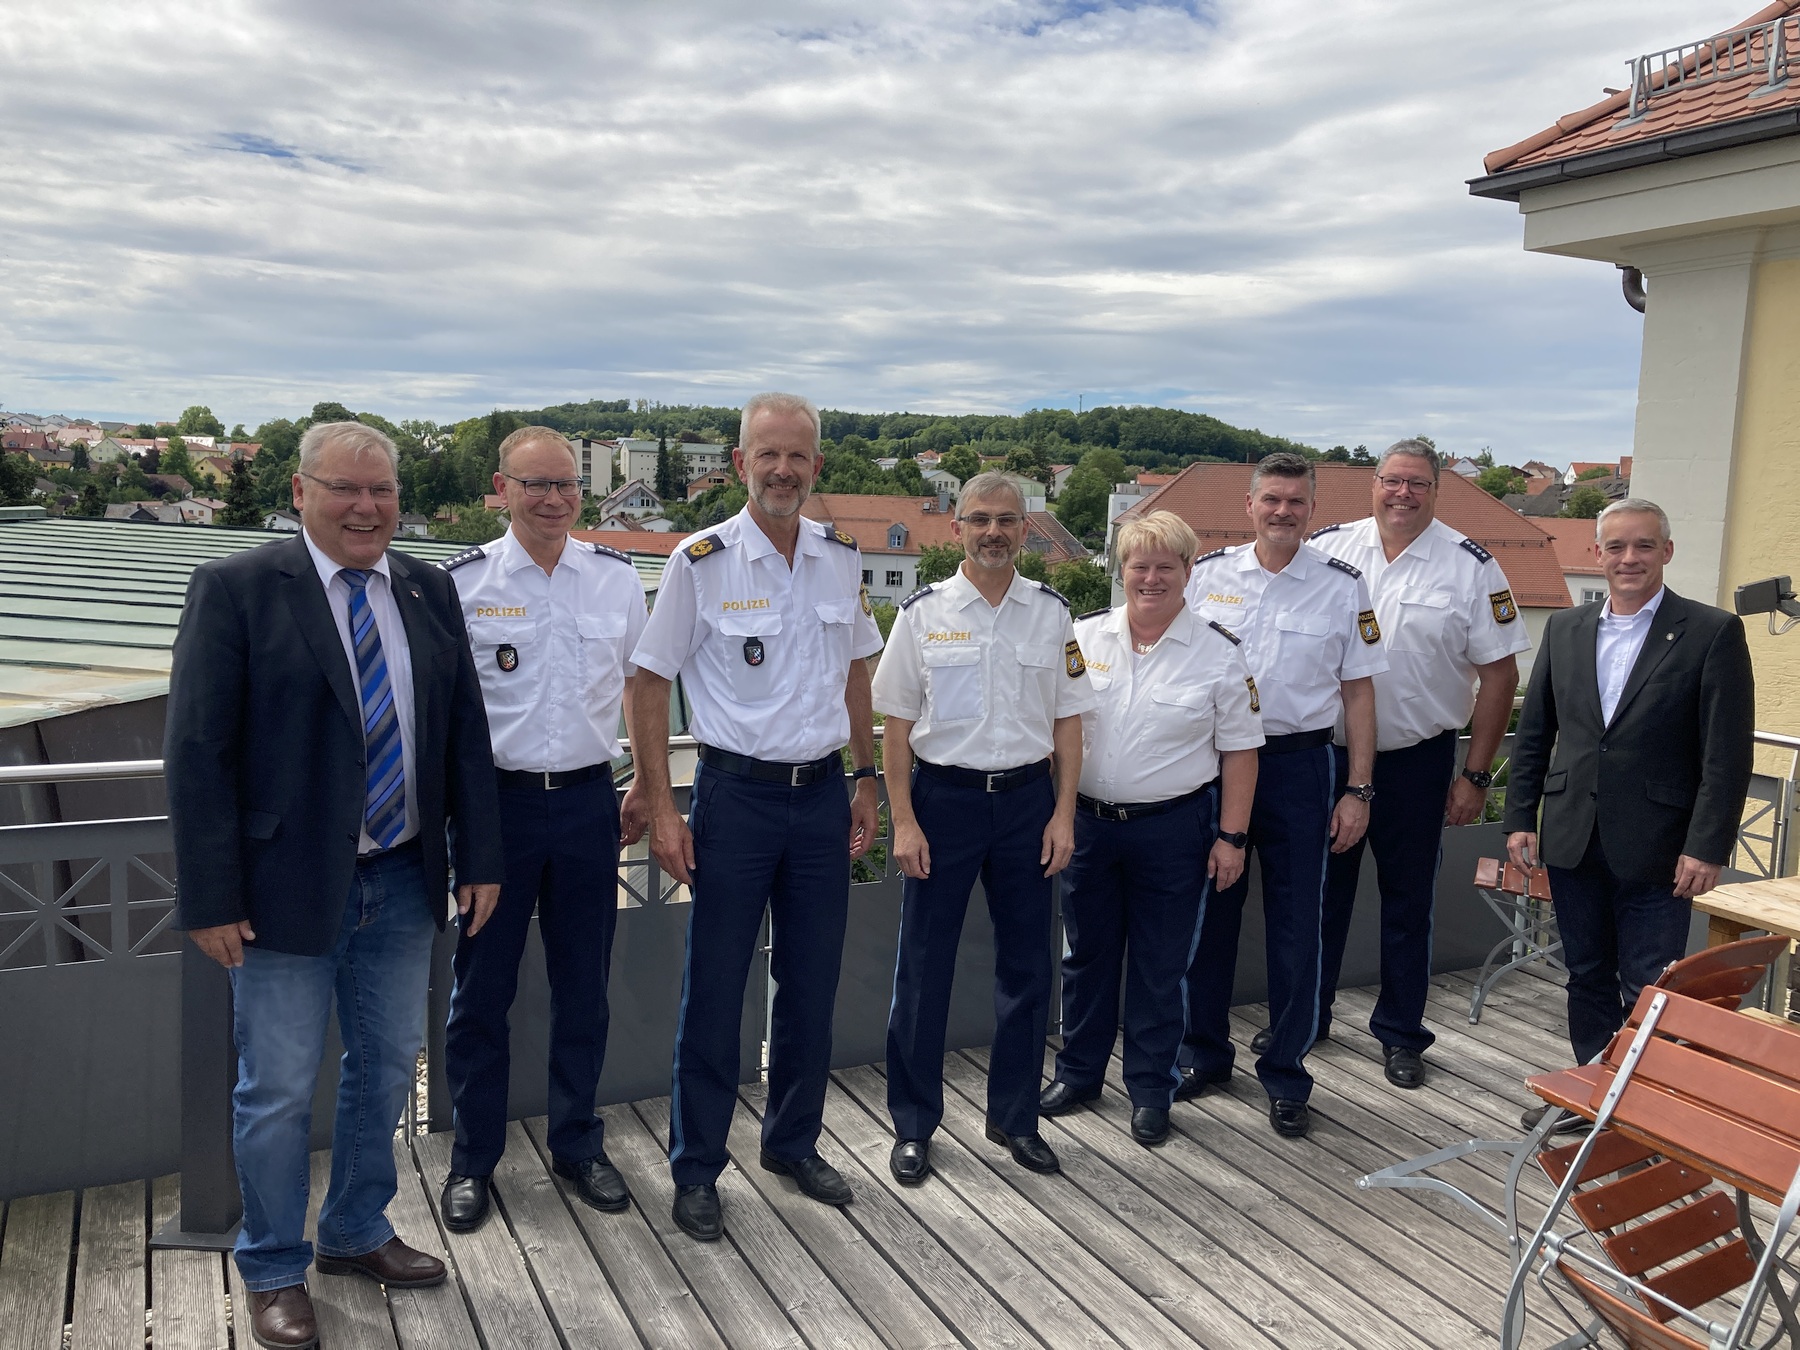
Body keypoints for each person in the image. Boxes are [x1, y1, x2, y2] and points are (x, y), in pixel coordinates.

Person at [166, 422, 504, 1350]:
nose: (366, 507)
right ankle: (273, 1264)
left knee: (389, 1065)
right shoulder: (236, 589)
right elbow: (196, 753)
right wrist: (209, 895)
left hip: (401, 879)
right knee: (274, 1088)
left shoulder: (428, 588)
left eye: (382, 491)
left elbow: (462, 732)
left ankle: (354, 1229)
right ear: (301, 490)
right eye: (345, 489)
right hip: (279, 894)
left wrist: (480, 856)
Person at [629, 391, 883, 1243]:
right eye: (767, 455)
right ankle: (697, 1166)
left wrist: (868, 776)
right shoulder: (699, 562)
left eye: (798, 456)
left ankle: (792, 1143)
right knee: (717, 988)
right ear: (740, 464)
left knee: (811, 984)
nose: (783, 470)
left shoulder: (840, 558)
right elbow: (648, 683)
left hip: (819, 801)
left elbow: (859, 674)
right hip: (734, 799)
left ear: (817, 466)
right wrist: (664, 805)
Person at [437, 426, 650, 1233]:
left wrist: (645, 786)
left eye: (565, 484)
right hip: (496, 812)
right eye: (536, 485)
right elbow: (451, 714)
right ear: (502, 489)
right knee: (480, 993)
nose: (554, 498)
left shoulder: (615, 579)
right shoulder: (462, 583)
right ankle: (472, 1161)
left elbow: (640, 687)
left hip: (593, 803)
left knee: (583, 989)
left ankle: (577, 1143)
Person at [875, 471, 1097, 1184]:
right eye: (980, 520)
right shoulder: (922, 613)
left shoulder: (1051, 613)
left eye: (1007, 520)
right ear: (957, 528)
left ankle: (1015, 1116)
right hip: (945, 804)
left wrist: (1065, 813)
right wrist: (902, 822)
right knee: (923, 972)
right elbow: (896, 727)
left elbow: (1068, 723)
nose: (994, 531)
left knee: (1028, 970)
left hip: (1029, 805)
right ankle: (913, 1124)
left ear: (1026, 529)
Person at [1506, 498, 1753, 1100]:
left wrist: (1708, 845)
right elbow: (1536, 732)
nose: (1629, 558)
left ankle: (1643, 1108)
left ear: (1666, 552)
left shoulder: (1711, 631)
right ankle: (1596, 1097)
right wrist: (1520, 818)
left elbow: (1727, 755)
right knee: (1585, 975)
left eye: (1644, 545)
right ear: (1597, 554)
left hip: (1662, 847)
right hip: (1572, 835)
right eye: (1616, 547)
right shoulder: (1566, 629)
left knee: (1649, 984)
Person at [1308, 440, 1530, 1090]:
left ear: (1438, 491)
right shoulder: (1327, 549)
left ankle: (1402, 1035)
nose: (1402, 494)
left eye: (1417, 484)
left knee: (1409, 906)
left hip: (1418, 763)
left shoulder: (1472, 567)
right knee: (1321, 897)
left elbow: (1500, 677)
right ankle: (1309, 1016)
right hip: (1329, 757)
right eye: (1392, 481)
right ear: (1373, 485)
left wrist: (1476, 775)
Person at [1180, 452, 1386, 1138]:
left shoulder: (1342, 586)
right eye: (1271, 499)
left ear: (1312, 509)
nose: (1282, 512)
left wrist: (1359, 787)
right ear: (1249, 505)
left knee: (1300, 927)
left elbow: (1359, 694)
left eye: (1296, 502)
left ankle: (1288, 1073)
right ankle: (1203, 1053)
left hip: (1301, 769)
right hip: (1215, 768)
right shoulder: (1206, 578)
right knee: (1209, 916)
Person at [1039, 511, 1261, 1147]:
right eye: (1140, 565)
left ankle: (1151, 1088)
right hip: (1089, 827)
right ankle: (1079, 1074)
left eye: (1167, 566)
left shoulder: (1220, 652)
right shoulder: (1083, 640)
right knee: (1085, 958)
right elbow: (1057, 732)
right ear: (1121, 570)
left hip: (1175, 830)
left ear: (1189, 573)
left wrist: (1233, 837)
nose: (1152, 578)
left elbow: (1241, 752)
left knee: (1162, 967)